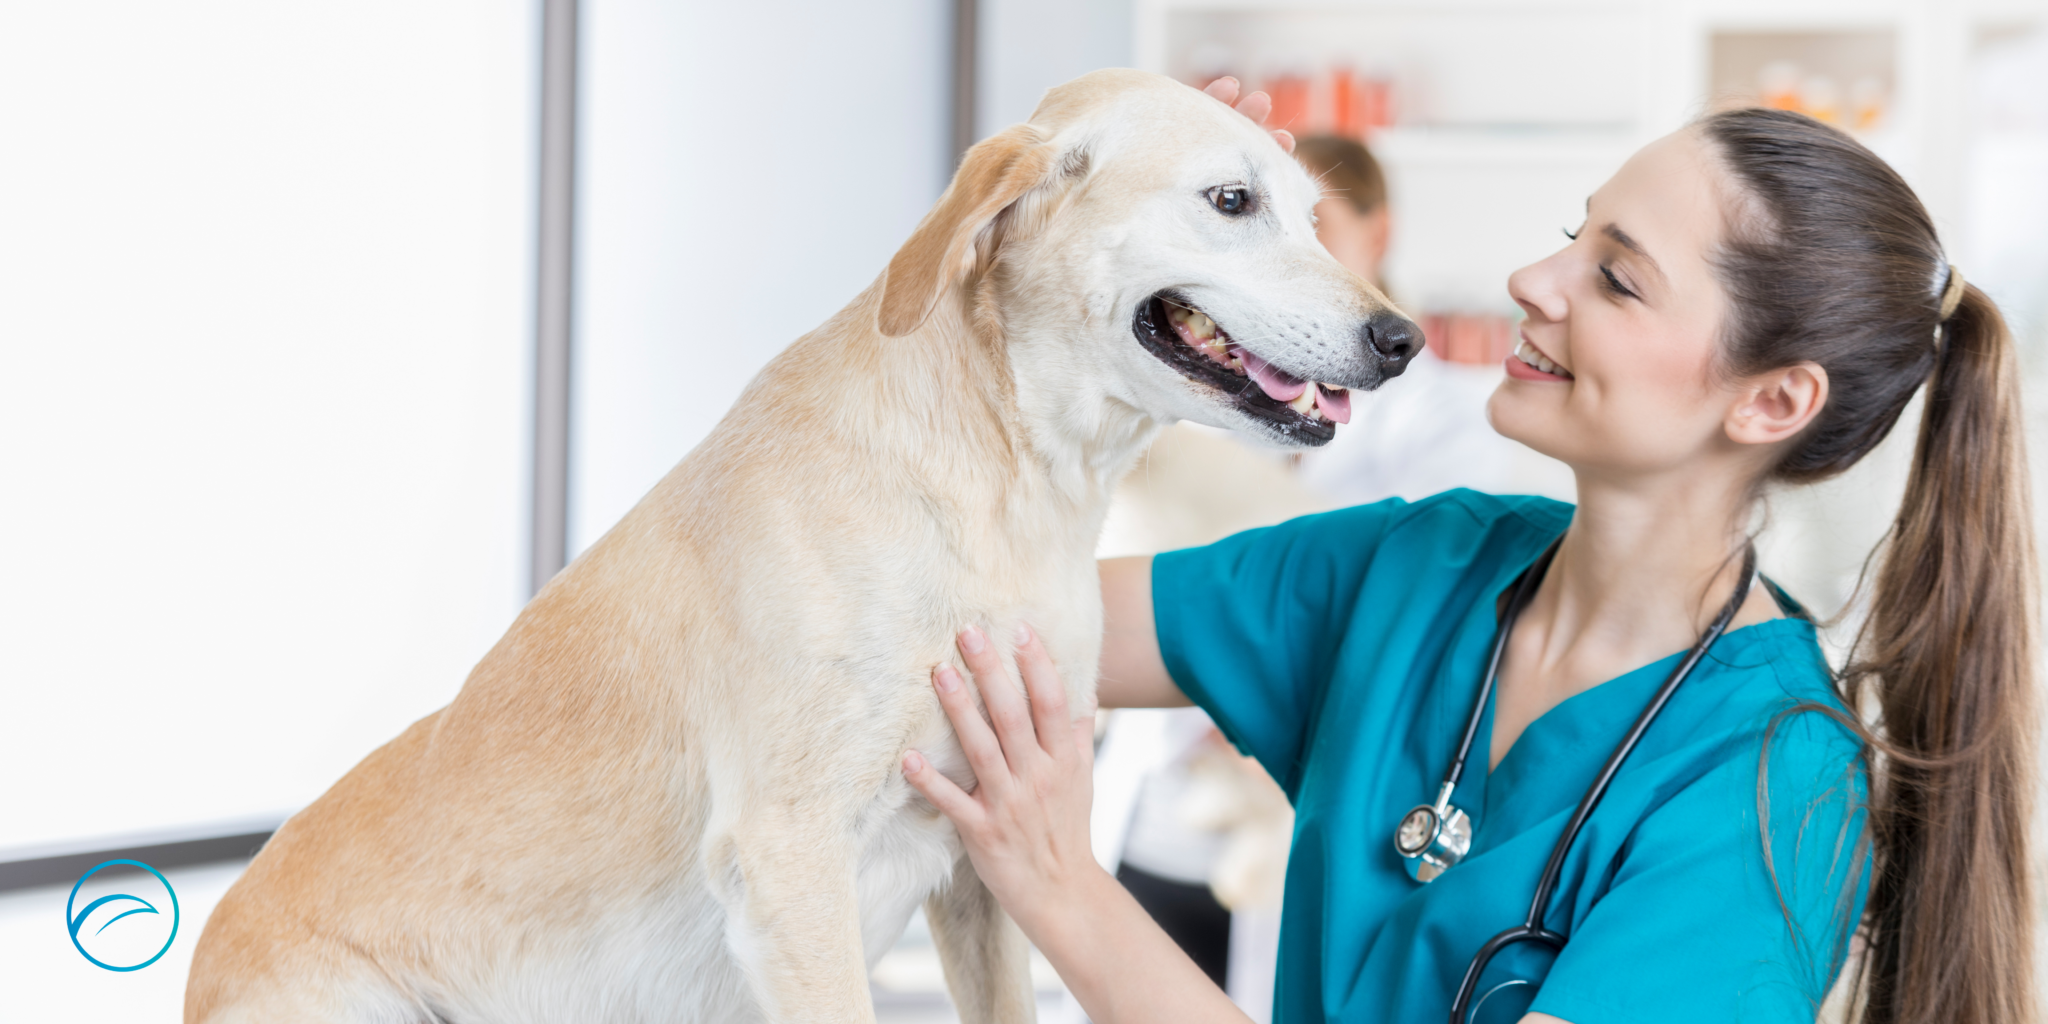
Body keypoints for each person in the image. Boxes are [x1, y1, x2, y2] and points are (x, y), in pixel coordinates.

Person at [900, 77, 2038, 1024]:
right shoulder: (1423, 567)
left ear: (1771, 399)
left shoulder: (1765, 784)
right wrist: (1128, 245)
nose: (1530, 283)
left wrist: (1061, 889)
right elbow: (949, 624)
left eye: (1615, 277)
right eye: (1567, 238)